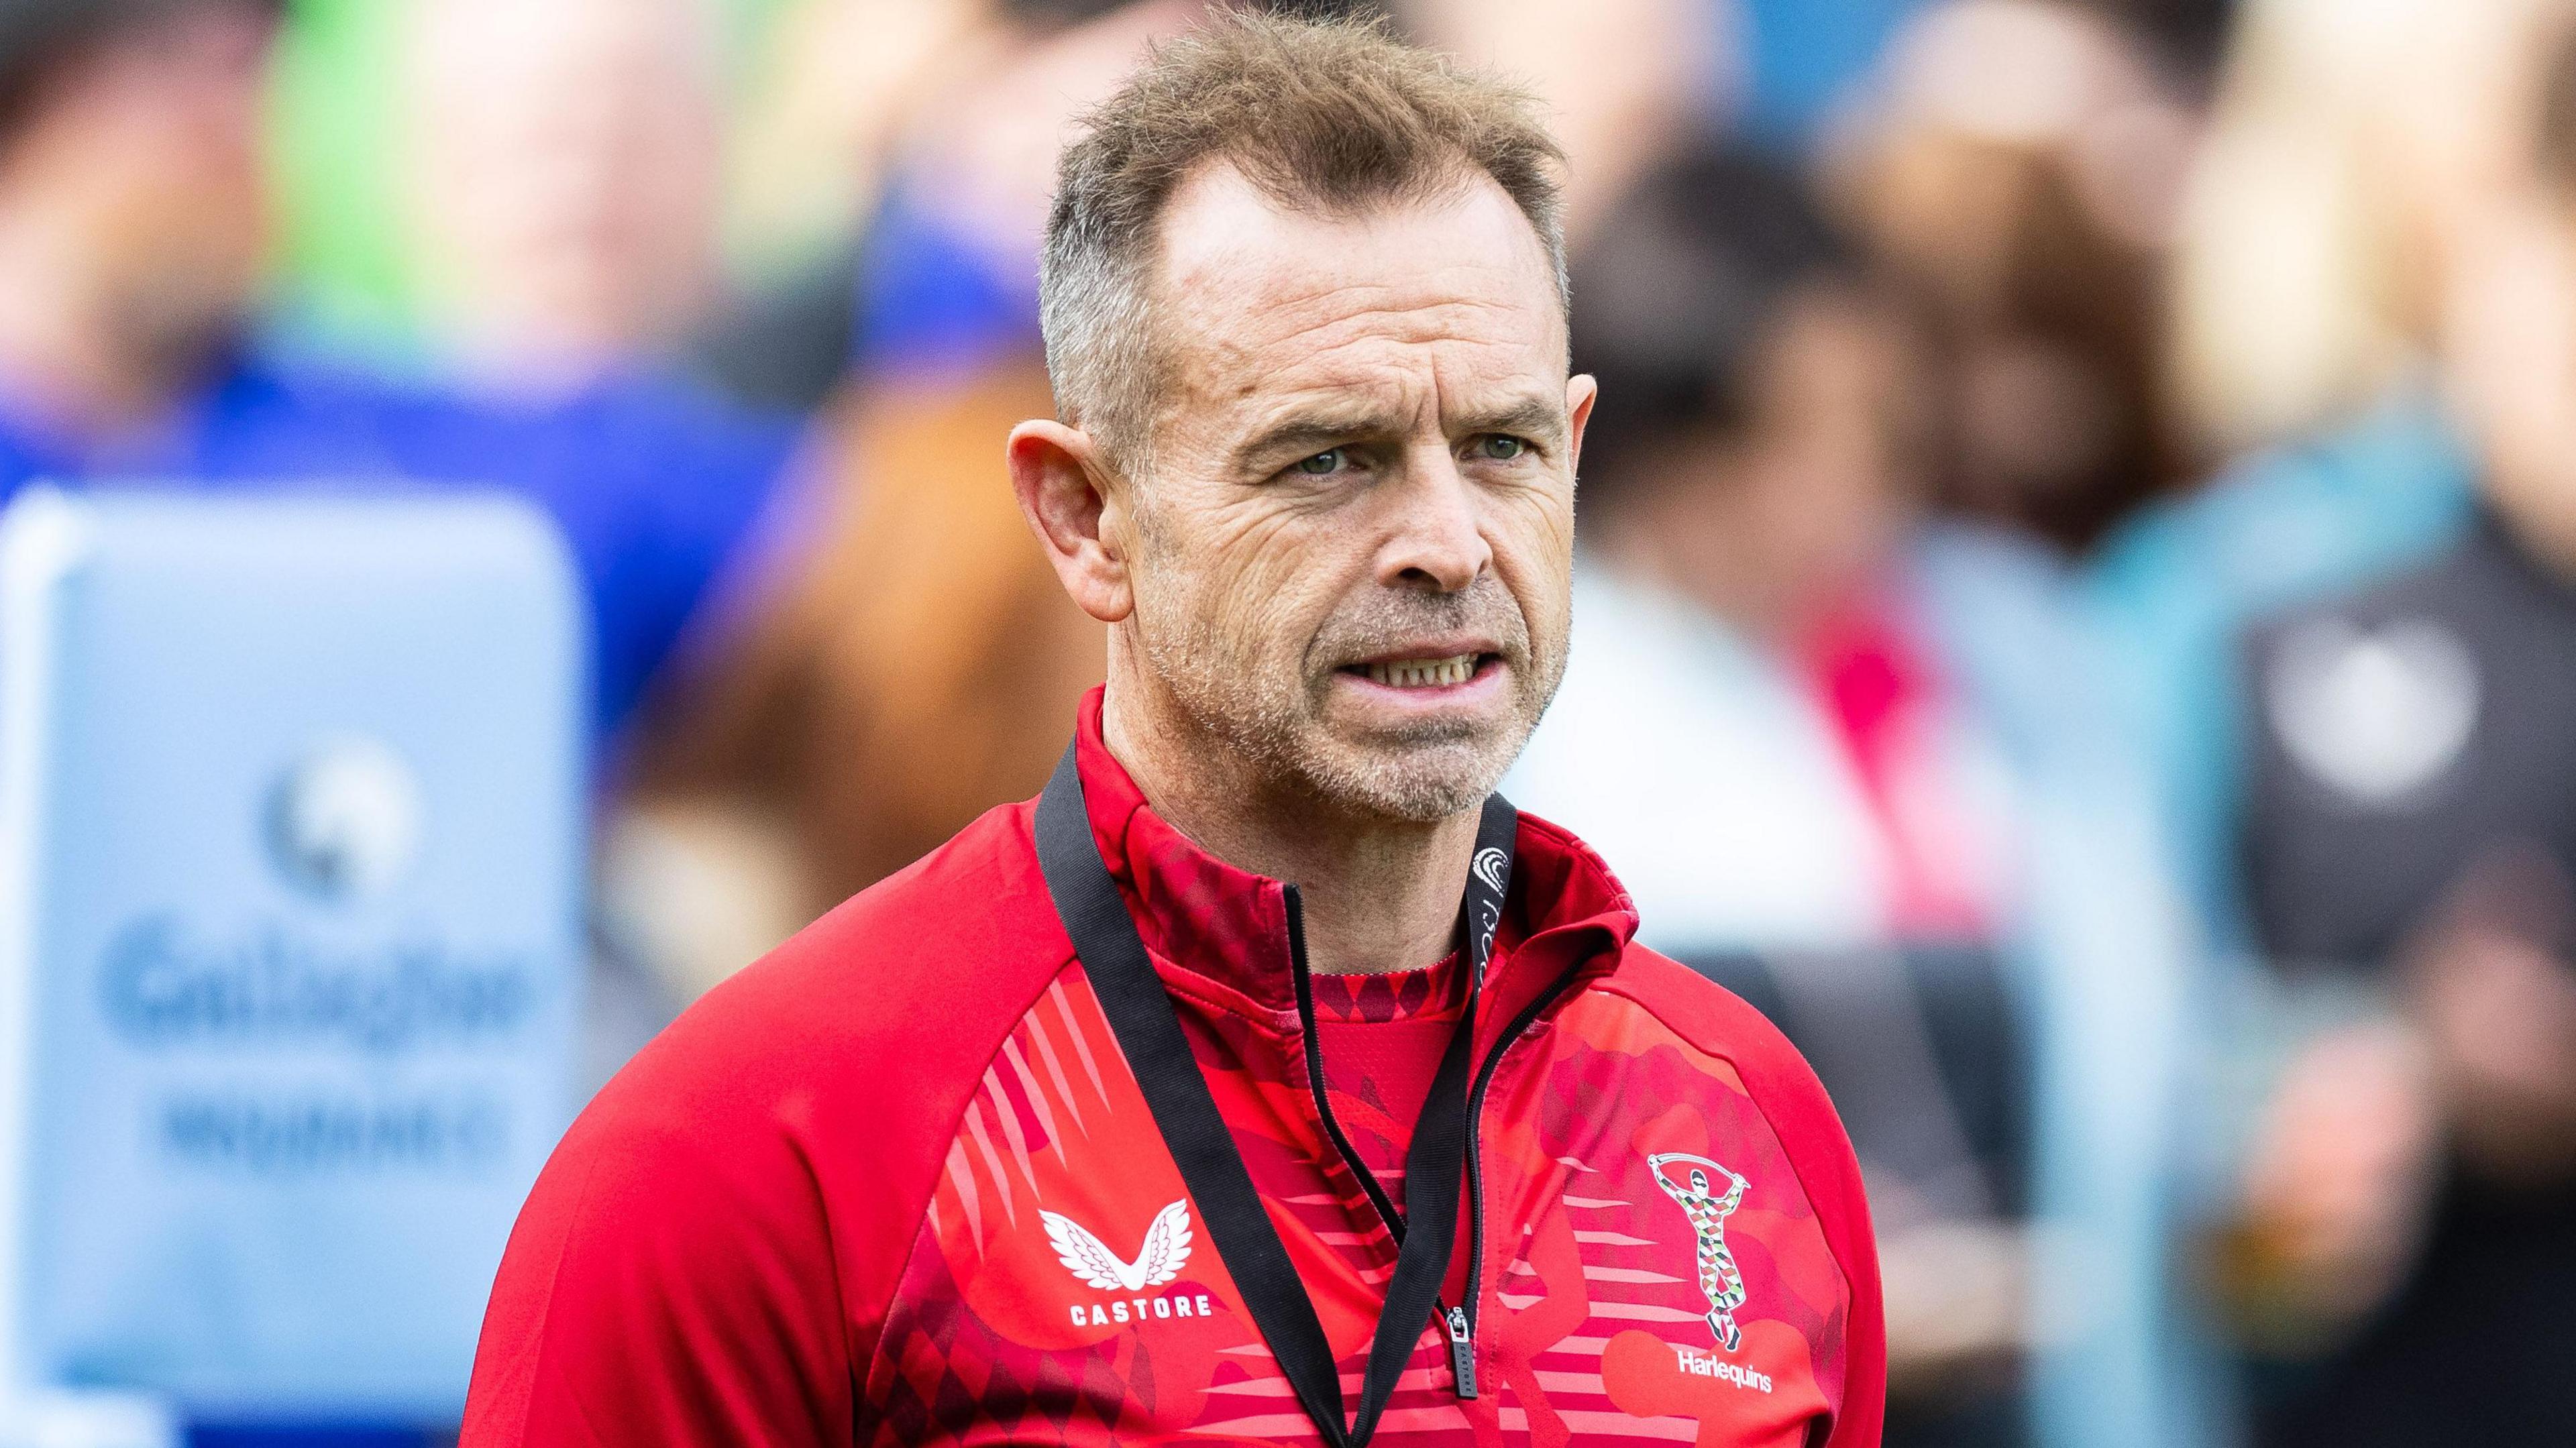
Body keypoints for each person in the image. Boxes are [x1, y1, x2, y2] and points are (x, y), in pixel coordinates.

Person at [461, 13, 1884, 1447]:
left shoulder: (1742, 1122)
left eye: (1502, 447)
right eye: (1329, 456)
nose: (1449, 542)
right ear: (1089, 518)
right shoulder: (757, 1153)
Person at [1503, 141, 2205, 1448]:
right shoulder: (1530, 719)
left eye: (1880, 422)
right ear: (1666, 441)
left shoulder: (2010, 646)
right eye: (1799, 428)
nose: (1857, 478)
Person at [0, 0, 800, 747]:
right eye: (178, 65)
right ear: (36, 97)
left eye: (250, 64)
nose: (238, 121)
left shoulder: (402, 442)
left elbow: (846, 550)